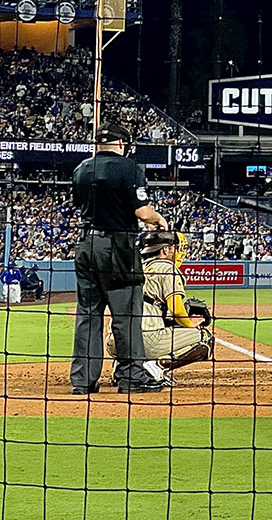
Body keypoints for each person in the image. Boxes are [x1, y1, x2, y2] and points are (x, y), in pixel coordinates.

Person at [70, 120, 168, 395]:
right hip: (117, 247)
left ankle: (83, 380)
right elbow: (142, 212)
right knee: (126, 315)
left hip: (85, 244)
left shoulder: (81, 168)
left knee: (88, 314)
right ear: (122, 144)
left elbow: (79, 204)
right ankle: (131, 377)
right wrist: (159, 220)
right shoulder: (129, 168)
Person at [105, 230, 213, 386]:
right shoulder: (167, 268)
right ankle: (154, 367)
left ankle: (123, 367)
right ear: (165, 250)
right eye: (175, 248)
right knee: (205, 337)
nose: (178, 252)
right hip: (144, 340)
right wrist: (190, 324)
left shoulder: (136, 266)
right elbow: (176, 309)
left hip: (114, 340)